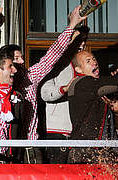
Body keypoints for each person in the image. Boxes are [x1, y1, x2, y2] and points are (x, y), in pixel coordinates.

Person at [0, 4, 86, 164]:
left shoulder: (27, 80)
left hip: (18, 151)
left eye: (21, 59)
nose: (19, 65)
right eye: (13, 62)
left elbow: (52, 56)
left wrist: (71, 26)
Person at [67, 29, 118, 164]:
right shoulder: (83, 83)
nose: (94, 62)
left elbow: (116, 83)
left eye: (94, 59)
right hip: (85, 152)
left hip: (94, 149)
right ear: (78, 70)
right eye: (88, 61)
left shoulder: (94, 86)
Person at [40, 26, 89, 164]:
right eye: (79, 39)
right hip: (57, 132)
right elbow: (45, 93)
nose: (82, 44)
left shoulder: (87, 65)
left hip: (79, 134)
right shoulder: (55, 64)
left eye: (84, 40)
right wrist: (65, 89)